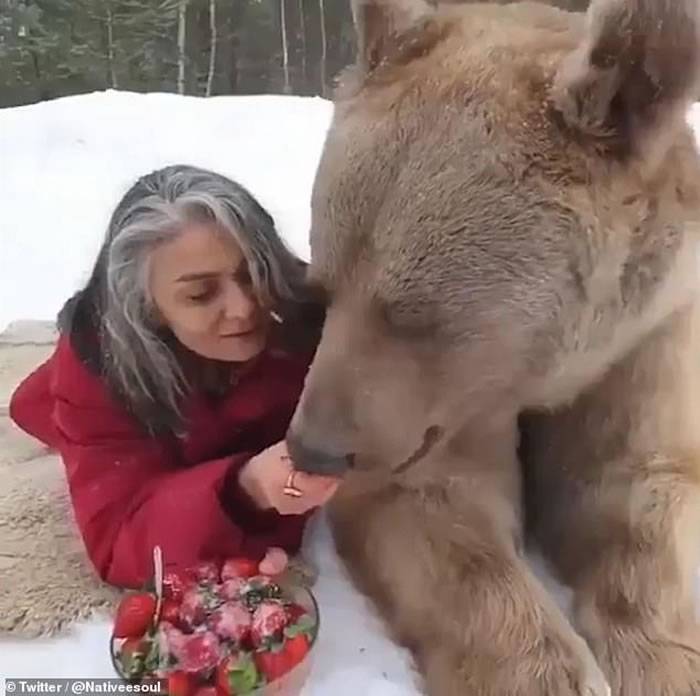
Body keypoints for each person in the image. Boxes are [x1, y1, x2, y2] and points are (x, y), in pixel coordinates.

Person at [9, 164, 339, 588]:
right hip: (91, 395)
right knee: (35, 404)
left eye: (253, 272)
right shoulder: (100, 368)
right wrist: (244, 490)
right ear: (147, 306)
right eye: (201, 294)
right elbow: (117, 542)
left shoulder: (304, 309)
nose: (244, 307)